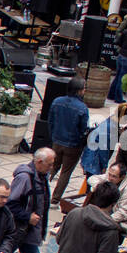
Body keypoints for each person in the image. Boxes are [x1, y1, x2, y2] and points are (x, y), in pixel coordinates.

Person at [6, 147, 54, 253]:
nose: (51, 167)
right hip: (20, 229)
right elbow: (10, 204)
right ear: (39, 162)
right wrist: (28, 217)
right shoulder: (24, 178)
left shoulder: (41, 176)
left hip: (29, 231)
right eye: (49, 164)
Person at [48, 77, 91, 205]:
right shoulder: (82, 108)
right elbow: (84, 129)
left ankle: (40, 186)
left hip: (57, 141)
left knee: (51, 166)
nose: (85, 91)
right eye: (84, 88)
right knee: (65, 173)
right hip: (73, 145)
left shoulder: (57, 101)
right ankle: (55, 199)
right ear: (79, 91)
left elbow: (50, 121)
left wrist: (54, 137)